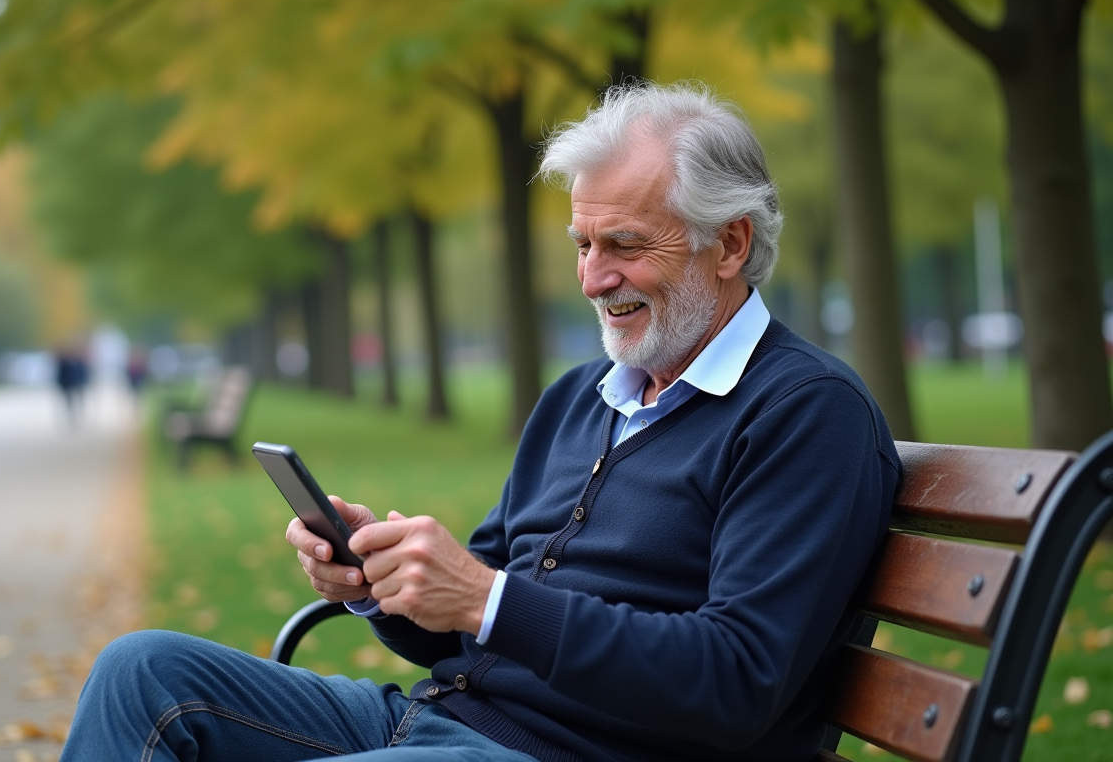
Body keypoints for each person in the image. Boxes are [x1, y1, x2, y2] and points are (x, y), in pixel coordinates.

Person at [60, 81, 899, 762]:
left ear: (728, 245)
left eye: (626, 245)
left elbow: (736, 680)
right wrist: (382, 586)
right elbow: (469, 621)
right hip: (445, 722)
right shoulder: (582, 397)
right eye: (582, 245)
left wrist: (488, 601)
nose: (593, 278)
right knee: (141, 674)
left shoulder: (805, 414)